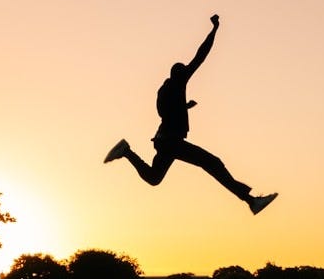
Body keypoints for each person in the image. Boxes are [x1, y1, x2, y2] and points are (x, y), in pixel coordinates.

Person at [104, 14, 277, 215]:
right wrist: (214, 30)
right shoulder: (178, 82)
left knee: (154, 178)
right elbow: (200, 56)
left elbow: (163, 112)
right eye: (184, 70)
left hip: (164, 141)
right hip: (171, 142)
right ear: (178, 74)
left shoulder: (165, 90)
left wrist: (184, 107)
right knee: (212, 162)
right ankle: (251, 201)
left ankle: (126, 151)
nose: (187, 71)